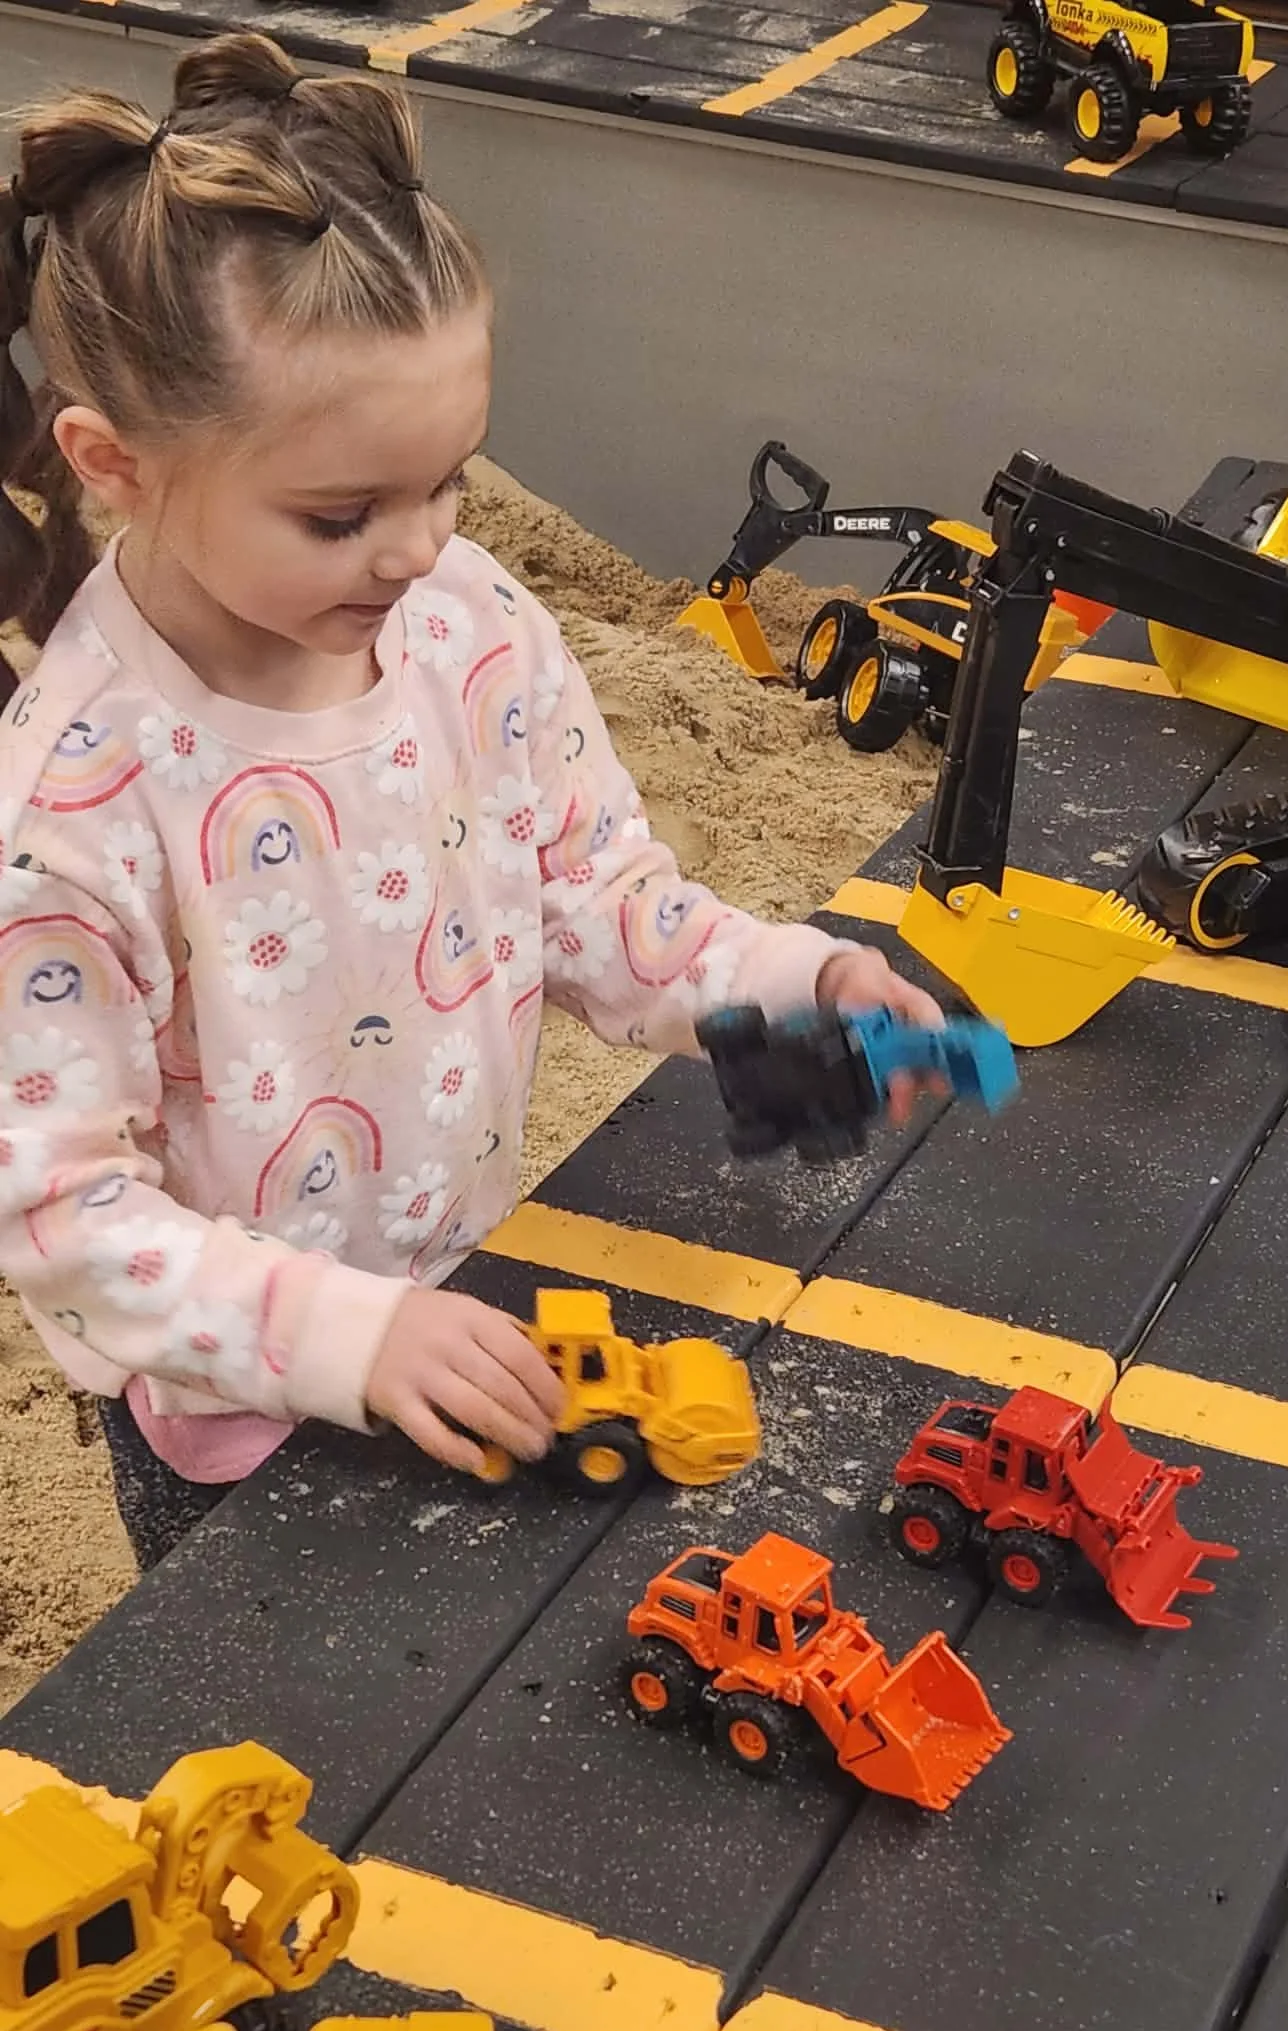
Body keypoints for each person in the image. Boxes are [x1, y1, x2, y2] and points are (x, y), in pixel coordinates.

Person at [0, 32, 944, 1572]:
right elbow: (60, 1216)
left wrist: (788, 983)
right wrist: (342, 1338)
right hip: (244, 1411)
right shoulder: (72, 809)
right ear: (115, 464)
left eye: (452, 479)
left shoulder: (464, 623)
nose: (420, 547)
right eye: (340, 513)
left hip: (471, 1292)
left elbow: (591, 893)